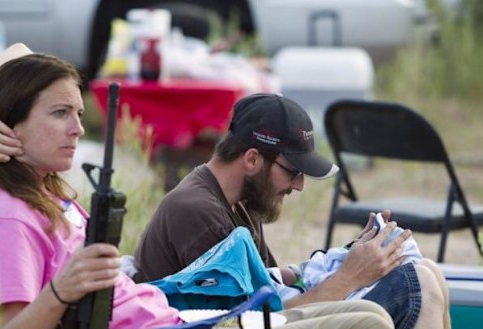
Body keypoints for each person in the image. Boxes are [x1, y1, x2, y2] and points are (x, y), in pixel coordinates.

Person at [0, 43, 396, 329]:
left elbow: (19, 52)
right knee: (371, 323)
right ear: (10, 120)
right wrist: (61, 291)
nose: (76, 129)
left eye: (79, 115)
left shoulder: (41, 193)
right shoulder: (5, 217)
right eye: (59, 114)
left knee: (371, 314)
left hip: (174, 317)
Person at [130, 93, 450, 329]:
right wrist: (350, 276)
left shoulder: (241, 200)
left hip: (257, 320)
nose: (298, 186)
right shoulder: (199, 213)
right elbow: (253, 320)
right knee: (416, 282)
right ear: (253, 159)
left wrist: (349, 255)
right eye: (293, 171)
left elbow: (273, 287)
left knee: (429, 271)